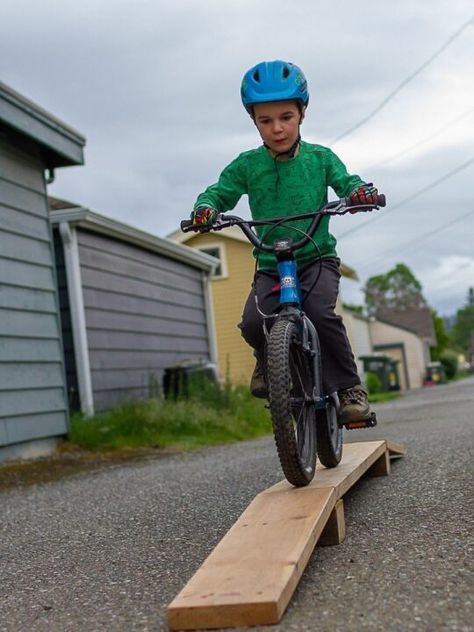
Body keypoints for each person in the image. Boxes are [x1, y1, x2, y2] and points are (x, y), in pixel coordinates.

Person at [190, 60, 381, 424]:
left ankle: (350, 388)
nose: (277, 128)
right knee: (251, 322)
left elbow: (346, 181)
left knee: (322, 316)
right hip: (270, 264)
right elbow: (218, 193)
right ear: (254, 122)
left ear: (302, 114)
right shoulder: (247, 165)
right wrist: (205, 208)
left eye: (286, 117)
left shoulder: (320, 159)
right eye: (266, 121)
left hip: (316, 257)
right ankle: (269, 361)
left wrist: (358, 193)